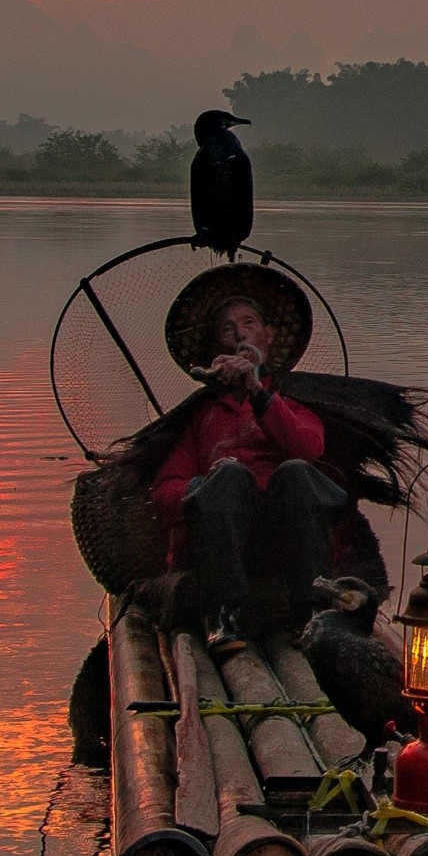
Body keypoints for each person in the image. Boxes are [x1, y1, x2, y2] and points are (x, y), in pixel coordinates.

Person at [147, 268, 355, 643]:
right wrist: (206, 484)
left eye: (249, 323)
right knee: (229, 477)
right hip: (221, 543)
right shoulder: (200, 416)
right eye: (228, 329)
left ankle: (309, 612)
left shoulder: (296, 403)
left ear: (269, 336)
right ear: (218, 349)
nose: (240, 334)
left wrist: (258, 392)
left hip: (284, 540)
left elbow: (308, 450)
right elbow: (164, 495)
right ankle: (222, 615)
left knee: (294, 471)